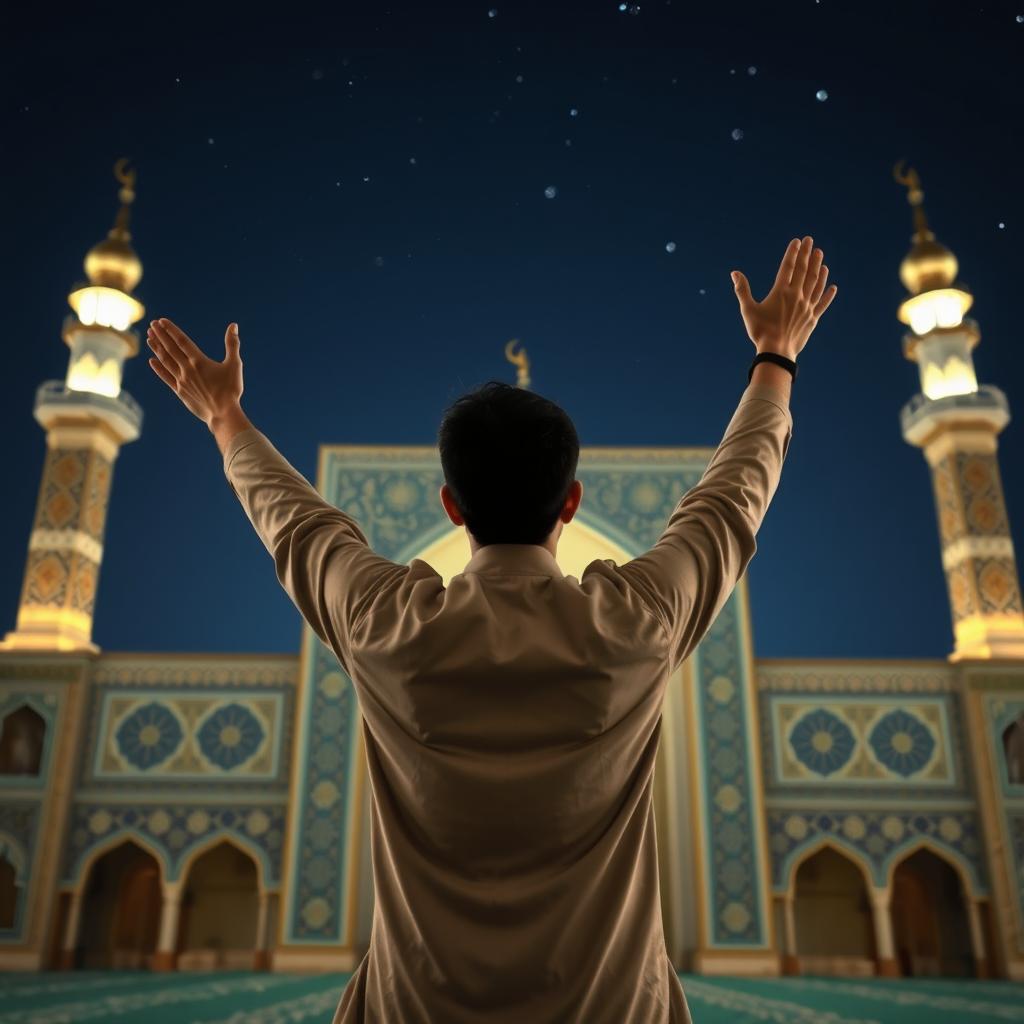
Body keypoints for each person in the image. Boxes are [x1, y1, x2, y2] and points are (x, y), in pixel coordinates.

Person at [145, 235, 837, 1023]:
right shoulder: (636, 626)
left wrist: (223, 415)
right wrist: (775, 358)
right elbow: (731, 499)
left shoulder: (386, 627)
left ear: (449, 506)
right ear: (572, 503)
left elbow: (297, 526)